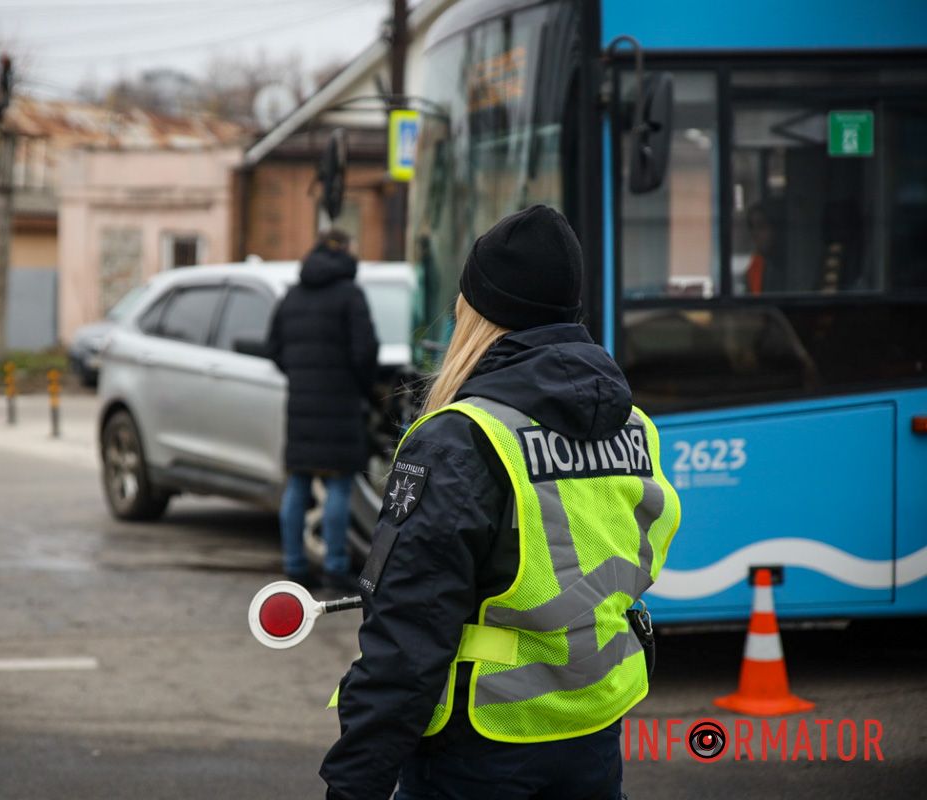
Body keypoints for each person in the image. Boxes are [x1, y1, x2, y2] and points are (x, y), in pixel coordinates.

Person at [320, 206, 681, 800]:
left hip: (480, 751)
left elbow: (407, 637)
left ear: (479, 314)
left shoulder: (458, 438)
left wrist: (354, 782)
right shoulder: (633, 427)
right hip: (591, 735)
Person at [266, 229, 379, 592]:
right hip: (341, 404)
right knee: (339, 486)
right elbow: (365, 353)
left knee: (298, 484)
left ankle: (294, 566)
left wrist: (299, 375)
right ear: (346, 253)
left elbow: (274, 348)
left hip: (301, 405)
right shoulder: (350, 295)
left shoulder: (292, 296)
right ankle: (335, 568)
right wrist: (366, 388)